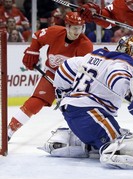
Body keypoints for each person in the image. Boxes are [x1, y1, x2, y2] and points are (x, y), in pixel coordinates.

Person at [40, 35, 133, 169]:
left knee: (104, 134)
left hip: (71, 110)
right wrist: (132, 97)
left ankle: (79, 142)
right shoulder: (123, 61)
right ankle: (101, 144)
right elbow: (119, 80)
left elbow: (64, 68)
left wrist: (63, 92)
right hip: (91, 113)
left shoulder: (93, 55)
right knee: (125, 144)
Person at [7, 12, 93, 140]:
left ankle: (86, 137)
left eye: (80, 28)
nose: (77, 31)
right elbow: (37, 37)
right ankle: (9, 130)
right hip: (52, 74)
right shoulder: (56, 32)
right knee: (36, 101)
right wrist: (33, 50)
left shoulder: (85, 45)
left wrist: (71, 89)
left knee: (78, 109)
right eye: (74, 27)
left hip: (72, 81)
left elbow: (84, 72)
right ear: (67, 26)